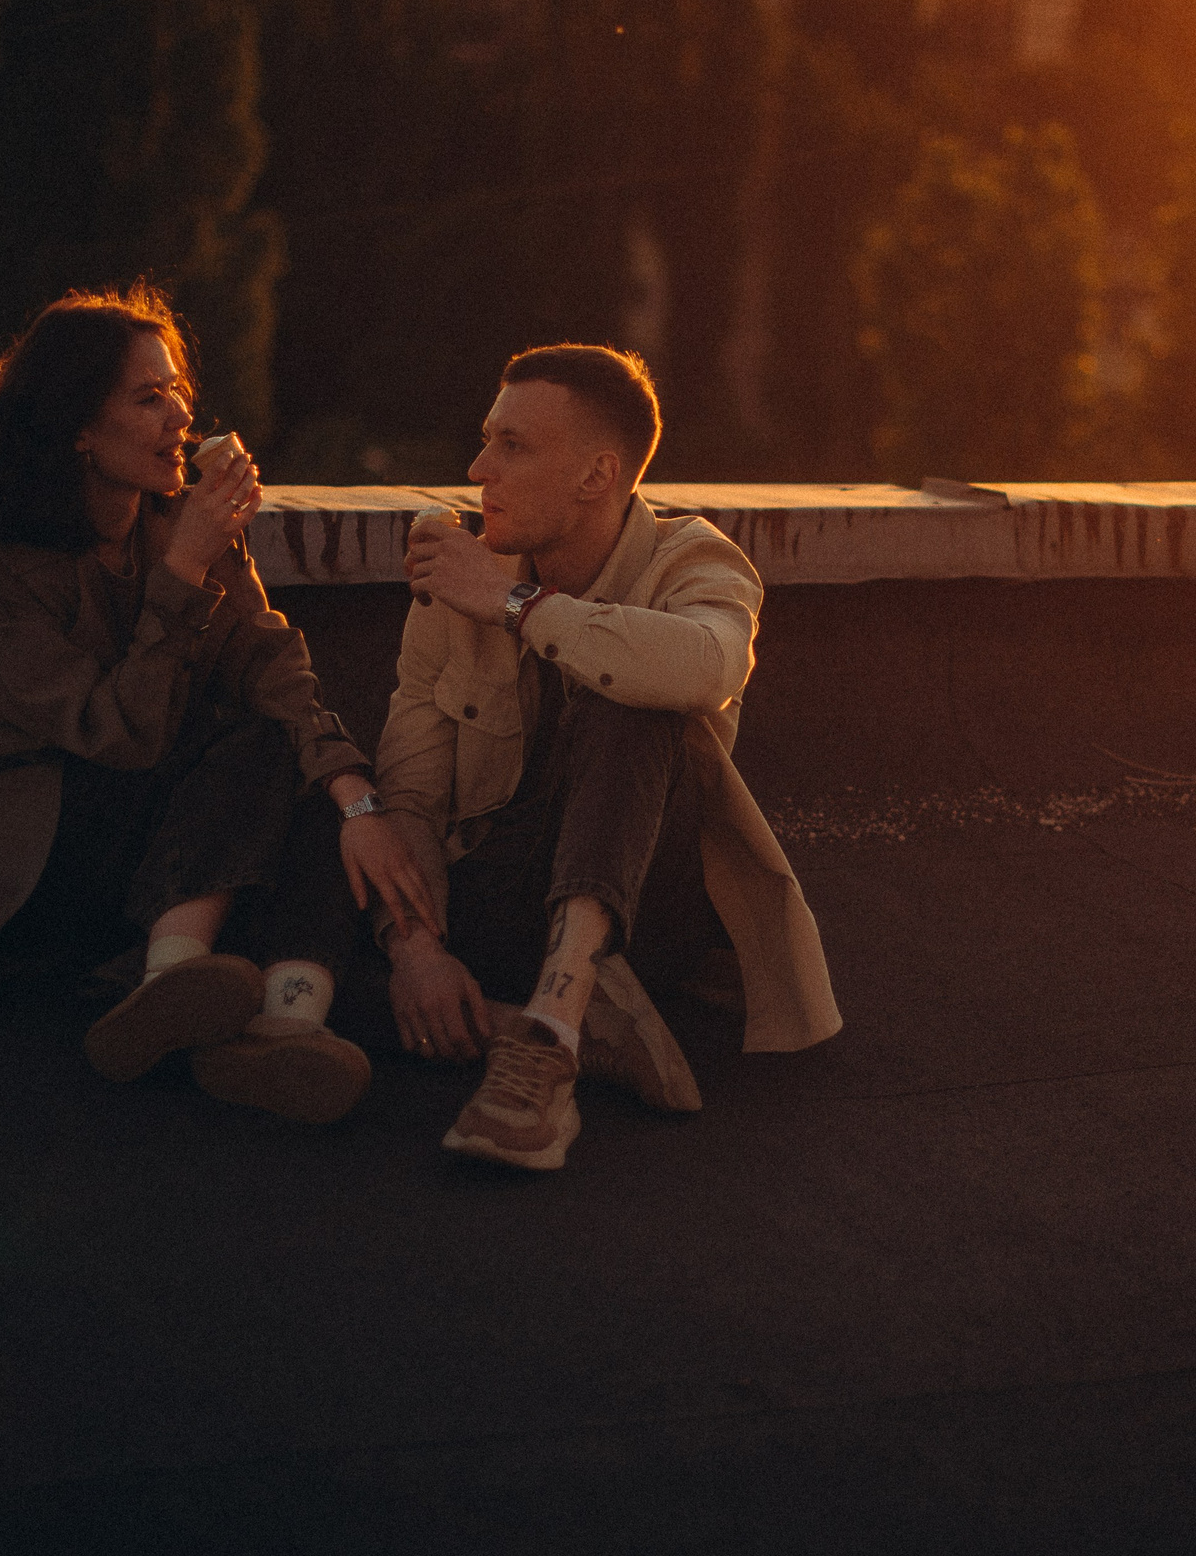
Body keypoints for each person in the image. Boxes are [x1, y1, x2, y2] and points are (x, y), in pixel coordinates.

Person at [0, 283, 398, 1126]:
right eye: (148, 399)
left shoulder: (178, 520)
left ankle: (280, 1027)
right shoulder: (2, 564)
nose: (180, 415)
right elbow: (118, 733)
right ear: (79, 428)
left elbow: (267, 657)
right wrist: (182, 574)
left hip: (141, 846)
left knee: (296, 755)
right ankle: (172, 980)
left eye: (178, 390)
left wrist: (354, 797)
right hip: (29, 859)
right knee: (253, 741)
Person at [338, 343, 841, 1172]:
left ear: (597, 476)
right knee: (337, 813)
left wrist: (516, 604)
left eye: (514, 447)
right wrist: (417, 953)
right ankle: (558, 1026)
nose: (478, 469)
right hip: (503, 890)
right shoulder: (462, 564)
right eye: (487, 440)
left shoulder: (697, 560)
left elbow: (706, 666)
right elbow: (415, 791)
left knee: (635, 695)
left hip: (647, 908)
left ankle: (545, 1042)